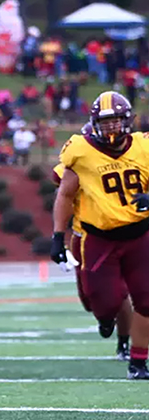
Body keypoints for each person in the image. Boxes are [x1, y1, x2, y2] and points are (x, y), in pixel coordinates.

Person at [51, 91, 149, 379]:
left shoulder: (143, 146)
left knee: (146, 301)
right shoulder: (80, 150)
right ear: (94, 124)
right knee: (104, 303)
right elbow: (65, 193)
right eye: (105, 123)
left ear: (128, 121)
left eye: (116, 122)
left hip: (140, 235)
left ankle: (138, 362)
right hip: (98, 237)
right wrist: (58, 236)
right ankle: (107, 322)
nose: (112, 129)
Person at [52, 124, 132, 361]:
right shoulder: (76, 165)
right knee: (90, 297)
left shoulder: (129, 159)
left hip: (123, 233)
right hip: (85, 237)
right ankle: (105, 317)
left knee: (121, 293)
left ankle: (124, 343)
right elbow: (60, 185)